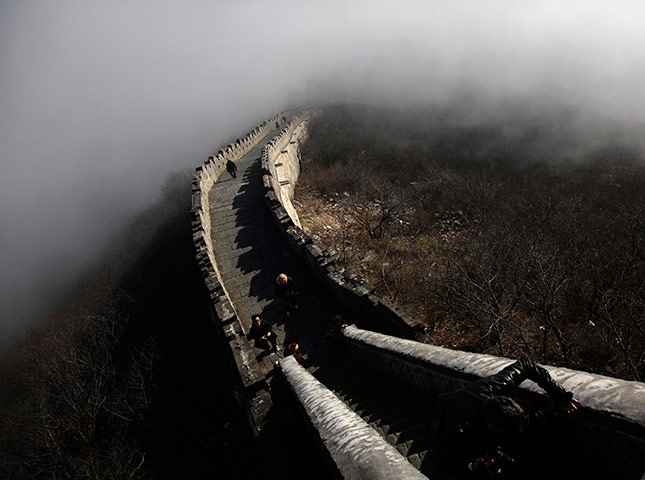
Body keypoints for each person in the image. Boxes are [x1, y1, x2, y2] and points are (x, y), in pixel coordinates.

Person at [429, 358, 579, 477]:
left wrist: (559, 396)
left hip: (474, 409)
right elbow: (441, 461)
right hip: (445, 413)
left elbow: (526, 365)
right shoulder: (460, 430)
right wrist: (478, 469)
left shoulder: (499, 385)